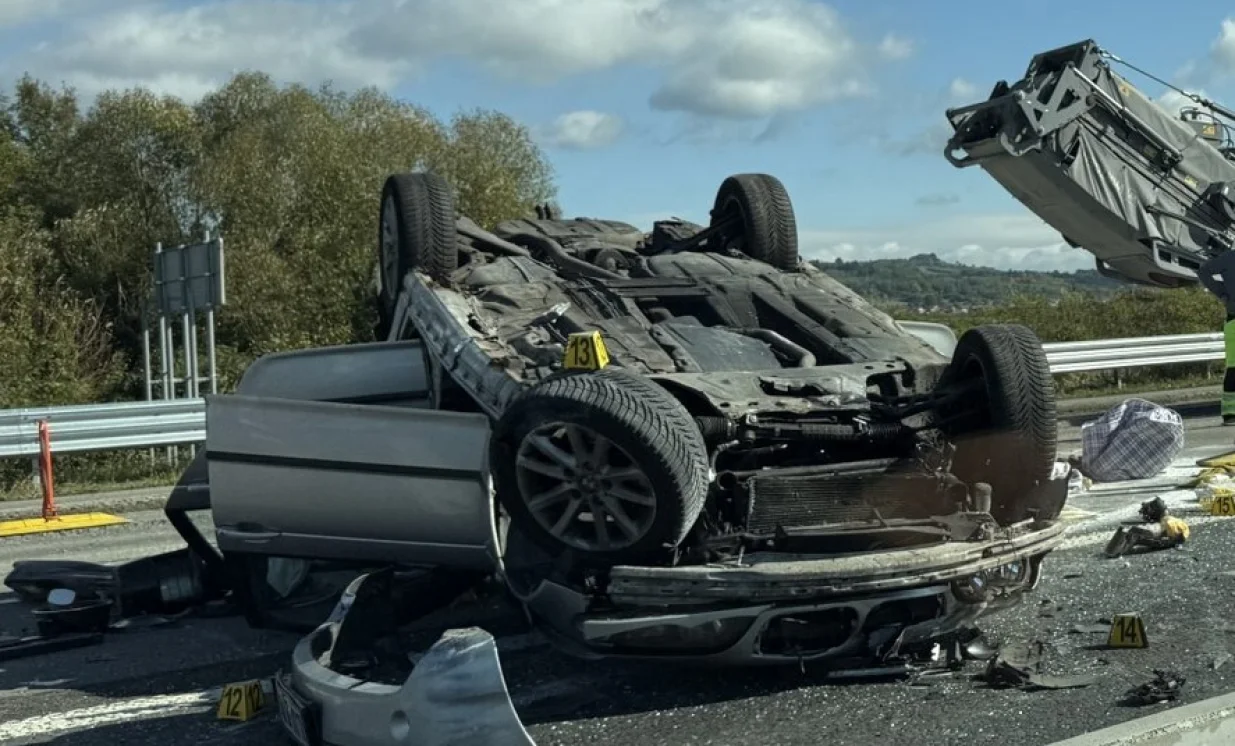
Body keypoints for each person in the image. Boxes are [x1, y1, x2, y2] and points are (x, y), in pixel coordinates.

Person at [1198, 250, 1235, 425]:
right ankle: (1230, 413)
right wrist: (1222, 293)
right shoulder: (1229, 258)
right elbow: (1204, 271)